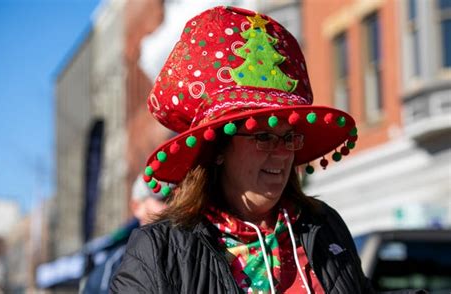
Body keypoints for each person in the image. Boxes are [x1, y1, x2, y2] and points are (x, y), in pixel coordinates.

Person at [110, 6, 422, 294]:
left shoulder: (323, 227)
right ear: (218, 149)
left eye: (288, 138)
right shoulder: (160, 250)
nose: (282, 153)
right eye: (263, 137)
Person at [81, 175, 167, 293]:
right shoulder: (116, 264)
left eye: (174, 199)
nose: (171, 206)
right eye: (163, 200)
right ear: (136, 207)